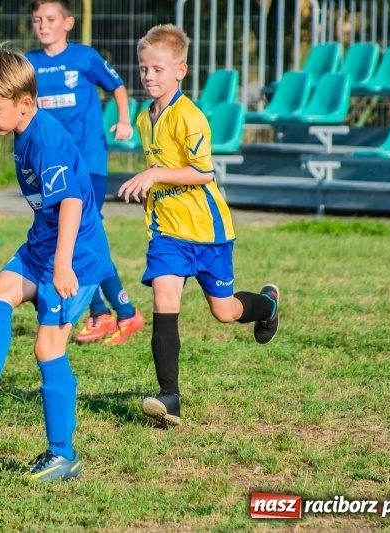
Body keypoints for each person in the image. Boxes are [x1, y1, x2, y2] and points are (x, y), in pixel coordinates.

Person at [0, 46, 116, 482]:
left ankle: (62, 455)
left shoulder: (45, 141)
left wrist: (63, 266)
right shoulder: (23, 131)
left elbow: (70, 202)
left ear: (25, 103)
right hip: (41, 247)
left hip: (76, 257)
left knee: (47, 348)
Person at [118, 24, 280, 427]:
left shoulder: (190, 118)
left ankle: (269, 305)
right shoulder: (144, 118)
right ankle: (169, 397)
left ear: (180, 70)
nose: (149, 76)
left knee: (224, 312)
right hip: (167, 234)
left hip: (208, 233)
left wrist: (154, 175)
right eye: (143, 69)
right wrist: (152, 179)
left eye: (158, 68)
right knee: (164, 299)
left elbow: (203, 173)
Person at [25, 0, 144, 346]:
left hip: (89, 161)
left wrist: (123, 119)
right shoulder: (30, 64)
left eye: (50, 19)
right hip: (52, 167)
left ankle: (118, 312)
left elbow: (117, 86)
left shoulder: (85, 57)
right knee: (75, 239)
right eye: (37, 20)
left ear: (68, 23)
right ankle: (109, 312)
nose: (43, 25)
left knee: (80, 236)